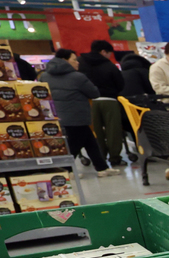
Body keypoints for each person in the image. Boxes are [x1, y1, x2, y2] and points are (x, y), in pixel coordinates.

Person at [41, 49, 117, 177]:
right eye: (74, 60)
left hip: (55, 115)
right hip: (76, 115)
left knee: (89, 141)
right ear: (65, 60)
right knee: (74, 145)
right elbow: (94, 93)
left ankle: (102, 168)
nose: (77, 63)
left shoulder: (44, 76)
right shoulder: (77, 77)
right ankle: (65, 170)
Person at [78, 40, 128, 166]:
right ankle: (115, 157)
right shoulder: (109, 65)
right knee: (113, 131)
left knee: (95, 131)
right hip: (109, 100)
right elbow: (120, 84)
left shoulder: (80, 63)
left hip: (88, 101)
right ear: (103, 52)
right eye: (109, 53)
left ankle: (99, 158)